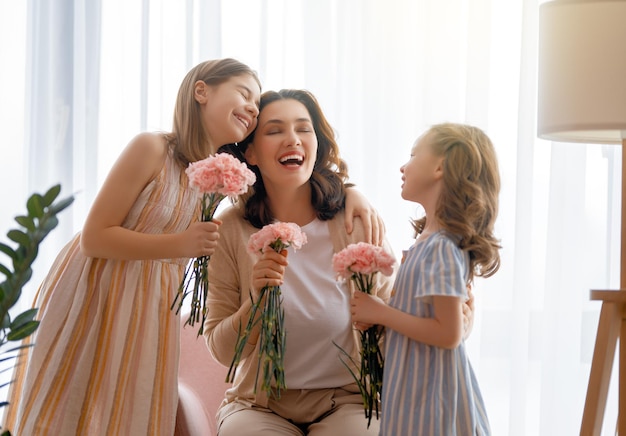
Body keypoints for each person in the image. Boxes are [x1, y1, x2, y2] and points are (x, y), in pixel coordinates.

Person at [2, 59, 379, 435]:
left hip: (150, 300)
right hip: (99, 287)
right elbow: (94, 236)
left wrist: (350, 192)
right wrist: (182, 244)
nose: (252, 106)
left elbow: (294, 182)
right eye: (245, 93)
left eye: (255, 104)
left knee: (125, 407)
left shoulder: (216, 176)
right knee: (72, 401)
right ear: (202, 91)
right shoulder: (152, 148)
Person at [204, 89, 398, 436]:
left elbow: (394, 315)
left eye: (303, 129)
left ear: (317, 145)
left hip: (348, 399)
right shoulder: (230, 230)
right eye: (275, 130)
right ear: (250, 152)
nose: (292, 139)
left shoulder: (356, 221)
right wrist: (256, 302)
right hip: (258, 405)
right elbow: (221, 350)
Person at [350, 123, 501, 435]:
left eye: (413, 154)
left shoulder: (441, 248)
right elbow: (423, 316)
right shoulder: (427, 242)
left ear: (440, 167)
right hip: (415, 388)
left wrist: (381, 312)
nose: (403, 166)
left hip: (433, 399)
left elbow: (447, 333)